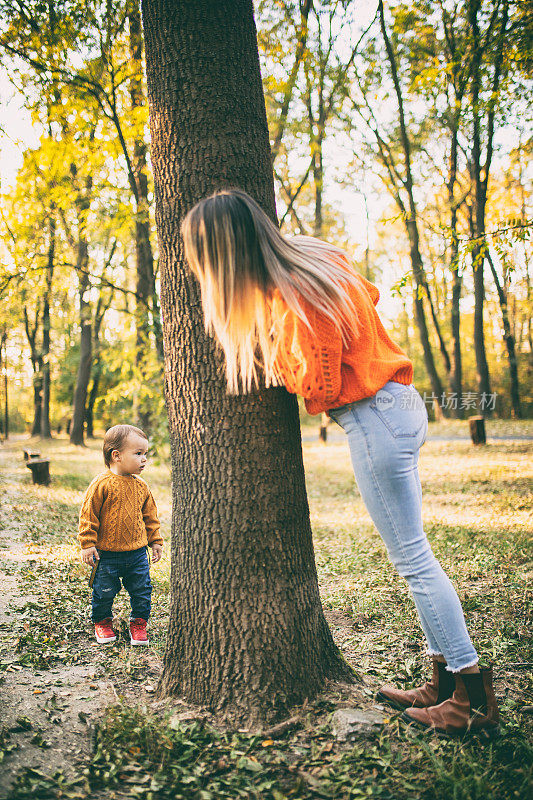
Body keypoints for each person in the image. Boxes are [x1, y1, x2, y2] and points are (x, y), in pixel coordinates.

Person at [180, 187, 500, 739]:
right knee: (415, 555)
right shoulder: (317, 257)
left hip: (374, 419)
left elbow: (322, 385)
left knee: (414, 562)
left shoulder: (293, 295)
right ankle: (443, 683)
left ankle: (469, 696)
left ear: (224, 253)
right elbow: (368, 297)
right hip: (399, 406)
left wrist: (279, 365)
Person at [78, 424, 163, 646]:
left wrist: (155, 542)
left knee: (142, 590)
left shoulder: (142, 487)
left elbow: (150, 517)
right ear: (116, 455)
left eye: (145, 454)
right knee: (104, 591)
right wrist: (88, 544)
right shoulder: (101, 484)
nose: (144, 459)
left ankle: (139, 623)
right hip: (106, 555)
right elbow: (88, 516)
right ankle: (103, 621)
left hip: (136, 553)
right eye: (138, 453)